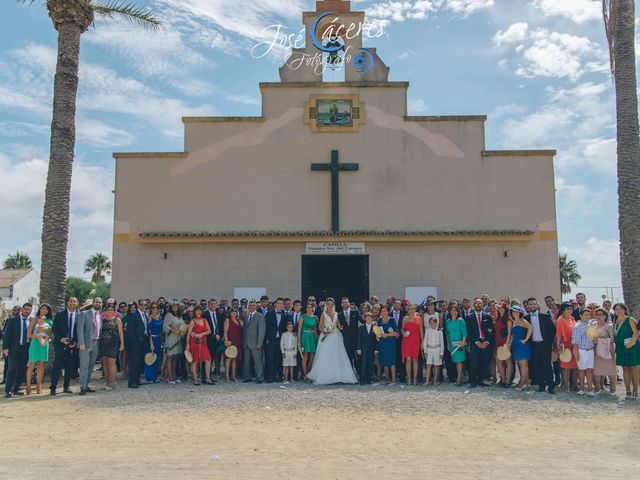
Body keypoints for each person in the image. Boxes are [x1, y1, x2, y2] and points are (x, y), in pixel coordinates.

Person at [306, 298, 358, 385]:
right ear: (326, 304)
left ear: (334, 304)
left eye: (331, 304)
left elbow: (339, 326)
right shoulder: (323, 314)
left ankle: (338, 376)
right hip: (326, 335)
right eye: (328, 304)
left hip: (335, 336)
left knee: (337, 355)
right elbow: (320, 326)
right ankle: (325, 376)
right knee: (326, 355)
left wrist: (343, 327)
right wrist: (324, 332)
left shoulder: (336, 314)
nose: (330, 305)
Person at [525, 297, 556, 394]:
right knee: (536, 366)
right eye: (530, 304)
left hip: (545, 345)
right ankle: (541, 386)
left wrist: (549, 343)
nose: (532, 306)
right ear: (528, 306)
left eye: (534, 304)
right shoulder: (525, 319)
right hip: (533, 345)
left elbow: (552, 330)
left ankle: (551, 386)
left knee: (547, 366)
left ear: (537, 305)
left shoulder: (545, 316)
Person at [2, 303, 33, 397]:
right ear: (22, 309)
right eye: (26, 309)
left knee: (22, 369)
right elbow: (6, 335)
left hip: (26, 348)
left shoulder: (31, 321)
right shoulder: (12, 320)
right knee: (12, 369)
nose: (27, 311)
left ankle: (17, 388)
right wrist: (5, 348)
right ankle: (8, 390)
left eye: (29, 310)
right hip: (14, 348)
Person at [50, 297, 79, 395]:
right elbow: (54, 329)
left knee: (69, 367)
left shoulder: (80, 315)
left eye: (74, 301)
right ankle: (53, 388)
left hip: (72, 345)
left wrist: (75, 342)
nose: (72, 303)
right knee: (57, 366)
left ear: (77, 303)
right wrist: (62, 339)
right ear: (67, 303)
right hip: (60, 344)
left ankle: (66, 387)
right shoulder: (60, 314)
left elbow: (79, 330)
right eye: (71, 301)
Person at [465, 298, 494, 388]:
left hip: (486, 343)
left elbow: (492, 330)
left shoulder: (488, 316)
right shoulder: (469, 317)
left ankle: (481, 380)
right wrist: (477, 341)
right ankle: (473, 381)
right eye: (476, 304)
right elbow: (469, 331)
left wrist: (487, 342)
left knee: (484, 362)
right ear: (474, 305)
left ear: (482, 305)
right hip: (475, 343)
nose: (478, 305)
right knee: (474, 362)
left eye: (480, 304)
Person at [77, 297, 103, 395]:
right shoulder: (84, 314)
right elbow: (79, 329)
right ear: (93, 303)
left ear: (101, 304)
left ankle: (86, 385)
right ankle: (82, 387)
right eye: (96, 302)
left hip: (95, 343)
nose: (98, 304)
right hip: (85, 344)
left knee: (91, 366)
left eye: (100, 302)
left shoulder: (99, 316)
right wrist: (81, 343)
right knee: (84, 366)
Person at [613, 303, 640, 398]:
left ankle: (635, 390)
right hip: (621, 347)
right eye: (616, 309)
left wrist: (631, 344)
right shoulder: (615, 321)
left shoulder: (630, 319)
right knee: (625, 368)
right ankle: (628, 390)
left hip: (633, 347)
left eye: (620, 309)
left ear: (625, 309)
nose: (618, 311)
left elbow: (636, 333)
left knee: (634, 368)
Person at [25, 304, 53, 395]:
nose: (45, 310)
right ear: (39, 309)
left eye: (47, 309)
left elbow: (51, 335)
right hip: (34, 344)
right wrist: (37, 337)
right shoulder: (34, 320)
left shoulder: (49, 322)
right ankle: (28, 387)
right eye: (43, 308)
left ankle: (38, 387)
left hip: (44, 345)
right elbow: (28, 334)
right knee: (31, 366)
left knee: (41, 366)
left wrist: (47, 335)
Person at [99, 304, 125, 390]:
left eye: (111, 310)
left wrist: (122, 344)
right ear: (106, 311)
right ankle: (107, 382)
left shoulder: (117, 320)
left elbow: (121, 333)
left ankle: (112, 382)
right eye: (108, 310)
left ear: (114, 311)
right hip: (104, 344)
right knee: (105, 363)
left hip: (113, 344)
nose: (110, 311)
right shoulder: (103, 320)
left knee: (111, 363)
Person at [186, 306, 212, 386]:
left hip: (203, 343)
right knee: (195, 361)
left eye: (199, 310)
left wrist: (202, 333)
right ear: (195, 312)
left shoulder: (205, 320)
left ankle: (208, 378)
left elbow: (209, 331)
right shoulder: (193, 321)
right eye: (197, 310)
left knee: (208, 359)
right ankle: (195, 379)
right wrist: (187, 344)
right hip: (195, 343)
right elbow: (189, 333)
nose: (198, 312)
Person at [593, 307, 616, 394]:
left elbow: (613, 339)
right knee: (597, 370)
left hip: (608, 351)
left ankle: (613, 389)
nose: (599, 316)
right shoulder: (593, 325)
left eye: (601, 314)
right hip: (597, 351)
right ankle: (597, 389)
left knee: (611, 370)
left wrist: (600, 339)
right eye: (597, 314)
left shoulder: (609, 326)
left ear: (605, 316)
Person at [556, 302, 578, 392]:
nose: (570, 311)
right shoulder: (560, 320)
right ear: (563, 310)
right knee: (566, 367)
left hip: (574, 345)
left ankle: (575, 385)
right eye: (567, 309)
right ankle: (566, 386)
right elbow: (559, 334)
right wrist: (558, 345)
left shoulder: (572, 319)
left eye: (571, 309)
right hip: (565, 345)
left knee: (575, 366)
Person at [242, 300, 266, 384]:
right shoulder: (247, 315)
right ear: (248, 306)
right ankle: (247, 377)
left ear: (256, 307)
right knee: (246, 362)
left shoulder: (260, 316)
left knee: (258, 362)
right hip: (246, 343)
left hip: (256, 343)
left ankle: (260, 377)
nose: (251, 306)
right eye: (250, 305)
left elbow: (262, 330)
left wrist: (260, 342)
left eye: (253, 305)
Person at [125, 301, 148, 389]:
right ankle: (132, 382)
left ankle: (137, 380)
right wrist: (134, 341)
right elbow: (130, 330)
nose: (143, 306)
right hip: (135, 343)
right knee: (134, 362)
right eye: (141, 305)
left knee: (140, 362)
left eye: (145, 305)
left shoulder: (145, 315)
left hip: (143, 341)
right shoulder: (134, 315)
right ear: (139, 305)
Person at [510, 304, 532, 392]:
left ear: (520, 313)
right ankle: (526, 383)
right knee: (520, 365)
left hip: (522, 346)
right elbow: (512, 335)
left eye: (516, 311)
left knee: (523, 365)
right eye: (513, 311)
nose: (514, 313)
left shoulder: (523, 321)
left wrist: (526, 339)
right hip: (515, 346)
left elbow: (530, 328)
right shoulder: (514, 321)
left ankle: (522, 383)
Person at [163, 300, 185, 384]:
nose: (175, 307)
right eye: (173, 306)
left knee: (175, 357)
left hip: (178, 338)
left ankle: (174, 375)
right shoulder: (168, 315)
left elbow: (182, 325)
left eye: (176, 306)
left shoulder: (179, 315)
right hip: (171, 337)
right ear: (171, 307)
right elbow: (165, 325)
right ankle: (170, 376)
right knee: (170, 357)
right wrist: (173, 330)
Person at [264, 298, 286, 383]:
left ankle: (279, 376)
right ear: (275, 304)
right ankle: (270, 377)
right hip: (271, 340)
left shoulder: (284, 315)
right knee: (270, 358)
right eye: (279, 303)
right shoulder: (269, 314)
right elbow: (265, 327)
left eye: (282, 303)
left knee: (279, 359)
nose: (280, 305)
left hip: (280, 340)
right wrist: (267, 339)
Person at [445, 305, 467, 386]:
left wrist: (463, 342)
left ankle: (459, 379)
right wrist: (447, 344)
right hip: (451, 344)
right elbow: (447, 333)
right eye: (452, 310)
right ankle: (458, 377)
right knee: (455, 361)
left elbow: (464, 332)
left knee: (459, 361)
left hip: (460, 343)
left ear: (458, 312)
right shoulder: (447, 321)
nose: (453, 312)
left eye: (455, 310)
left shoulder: (461, 320)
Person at [338, 297, 361, 372]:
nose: (345, 304)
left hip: (355, 339)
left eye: (346, 302)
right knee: (348, 358)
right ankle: (350, 375)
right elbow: (338, 327)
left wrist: (372, 322)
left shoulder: (355, 312)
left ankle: (359, 375)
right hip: (346, 340)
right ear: (341, 304)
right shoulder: (339, 315)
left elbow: (362, 320)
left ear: (349, 303)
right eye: (343, 302)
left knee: (357, 358)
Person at [377, 304, 398, 384]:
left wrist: (387, 335)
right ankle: (387, 378)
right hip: (382, 343)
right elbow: (378, 331)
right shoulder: (379, 320)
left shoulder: (392, 320)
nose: (383, 312)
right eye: (382, 311)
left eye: (385, 311)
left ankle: (393, 379)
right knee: (384, 361)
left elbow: (396, 333)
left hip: (390, 343)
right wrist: (377, 336)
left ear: (388, 312)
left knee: (392, 361)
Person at [401, 304, 421, 386]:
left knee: (415, 359)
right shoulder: (405, 318)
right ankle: (409, 378)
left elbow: (421, 331)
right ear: (407, 310)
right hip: (407, 340)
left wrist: (423, 342)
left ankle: (415, 379)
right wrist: (403, 333)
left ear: (415, 309)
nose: (411, 310)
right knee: (408, 359)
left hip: (416, 340)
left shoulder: (419, 318)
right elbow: (402, 329)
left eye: (413, 309)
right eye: (410, 309)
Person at [494, 302, 512, 388]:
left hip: (505, 342)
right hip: (497, 342)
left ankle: (508, 381)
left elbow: (509, 333)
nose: (501, 310)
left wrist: (507, 344)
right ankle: (503, 379)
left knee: (508, 362)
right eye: (499, 308)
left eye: (502, 308)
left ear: (505, 309)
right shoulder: (497, 318)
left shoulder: (508, 319)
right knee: (499, 361)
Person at [297, 302, 318, 380]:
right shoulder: (302, 317)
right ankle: (305, 375)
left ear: (313, 308)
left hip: (312, 338)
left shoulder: (314, 318)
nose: (309, 308)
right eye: (307, 307)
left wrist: (317, 339)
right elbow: (299, 330)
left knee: (312, 358)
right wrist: (299, 341)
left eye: (310, 307)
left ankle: (309, 373)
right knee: (305, 357)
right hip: (305, 337)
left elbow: (315, 330)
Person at [203, 299, 222, 383]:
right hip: (208, 339)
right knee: (207, 359)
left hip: (216, 340)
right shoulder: (205, 315)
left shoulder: (218, 315)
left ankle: (209, 376)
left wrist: (219, 335)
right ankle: (205, 378)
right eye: (211, 304)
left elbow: (220, 327)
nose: (213, 305)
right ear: (208, 305)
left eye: (215, 304)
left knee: (212, 358)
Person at [144, 303, 163, 383]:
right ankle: (149, 378)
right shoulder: (149, 318)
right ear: (151, 308)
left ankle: (154, 377)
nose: (155, 309)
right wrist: (151, 343)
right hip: (151, 340)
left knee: (156, 359)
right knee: (150, 358)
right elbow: (149, 331)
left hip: (158, 340)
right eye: (153, 307)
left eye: (156, 307)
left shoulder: (160, 317)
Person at [356, 312, 378, 385]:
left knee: (370, 364)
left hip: (371, 348)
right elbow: (359, 338)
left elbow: (376, 339)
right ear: (365, 318)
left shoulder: (374, 327)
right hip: (363, 348)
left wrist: (376, 349)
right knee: (363, 363)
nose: (368, 318)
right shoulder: (361, 327)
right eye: (367, 317)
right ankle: (363, 380)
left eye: (370, 317)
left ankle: (369, 380)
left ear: (372, 318)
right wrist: (358, 348)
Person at [423, 315, 444, 386]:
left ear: (436, 323)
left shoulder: (439, 331)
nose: (432, 324)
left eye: (433, 323)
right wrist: (425, 351)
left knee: (436, 366)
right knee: (428, 365)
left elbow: (442, 343)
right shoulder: (427, 330)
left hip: (437, 349)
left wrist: (442, 353)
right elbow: (425, 341)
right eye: (430, 323)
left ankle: (435, 381)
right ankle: (427, 381)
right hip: (429, 349)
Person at [223, 309, 243, 382]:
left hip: (237, 341)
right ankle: (227, 376)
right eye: (232, 311)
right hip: (230, 341)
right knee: (228, 358)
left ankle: (233, 376)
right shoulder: (227, 320)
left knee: (234, 359)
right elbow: (225, 332)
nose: (234, 313)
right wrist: (226, 341)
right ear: (230, 313)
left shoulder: (238, 321)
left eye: (235, 311)